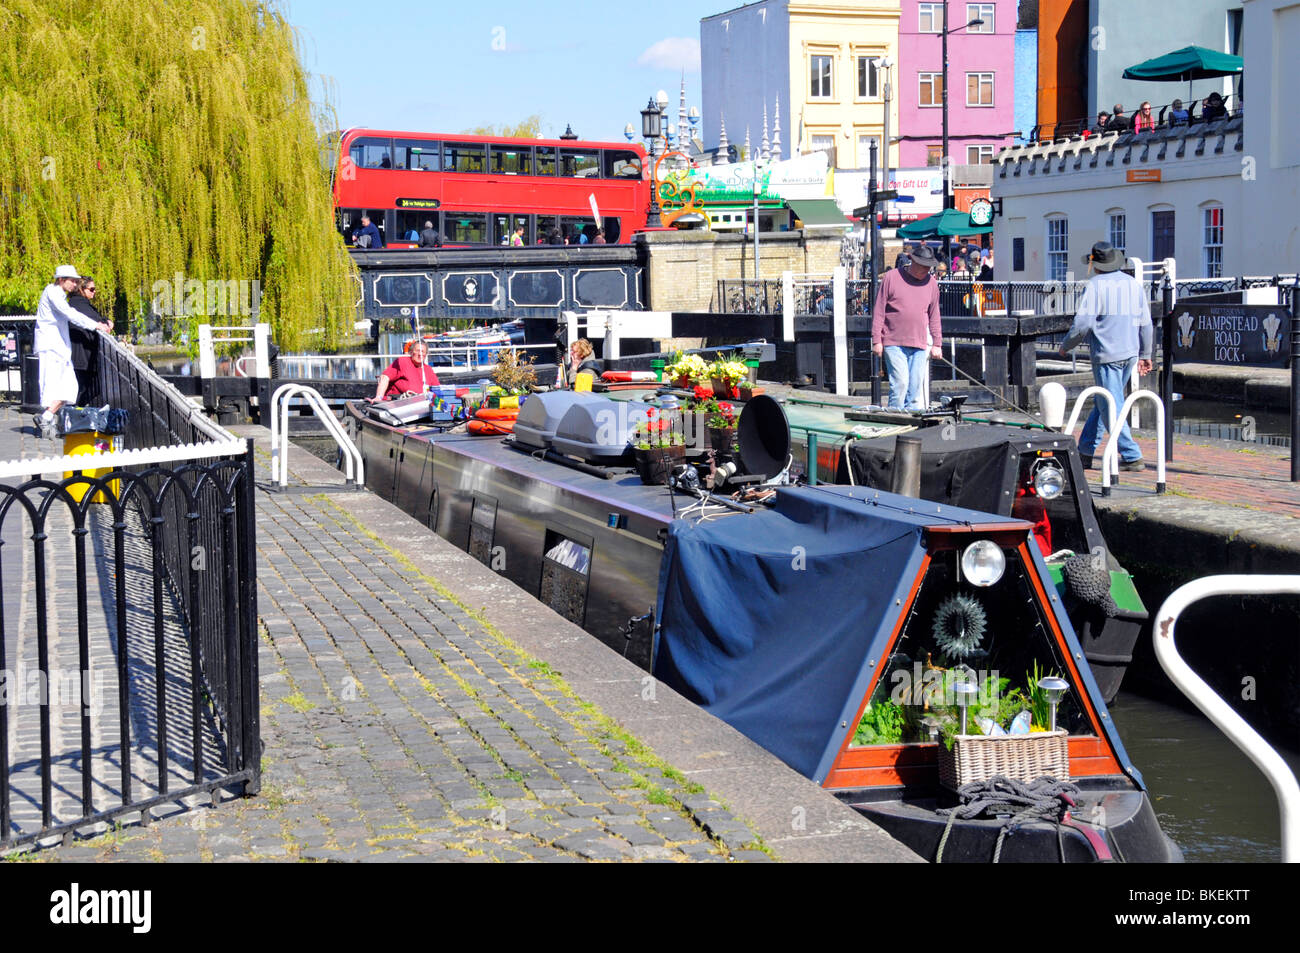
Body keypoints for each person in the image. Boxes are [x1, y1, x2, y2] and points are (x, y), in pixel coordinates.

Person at [1060, 242, 1152, 470]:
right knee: (1105, 400)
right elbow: (1146, 323)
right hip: (1130, 353)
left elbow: (1082, 324)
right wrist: (1146, 353)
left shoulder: (1095, 286)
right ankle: (1085, 451)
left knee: (1111, 406)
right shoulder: (1133, 284)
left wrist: (1066, 346)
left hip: (1107, 354)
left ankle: (1132, 455)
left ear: (1095, 264)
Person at [33, 265, 111, 438]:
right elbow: (70, 314)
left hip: (58, 346)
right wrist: (96, 324)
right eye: (73, 281)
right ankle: (47, 419)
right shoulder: (53, 293)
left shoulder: (57, 294)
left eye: (77, 281)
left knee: (68, 387)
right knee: (60, 386)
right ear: (61, 279)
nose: (75, 284)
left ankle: (47, 418)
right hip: (51, 346)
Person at [871, 244, 943, 412]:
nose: (924, 270)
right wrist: (876, 340)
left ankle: (910, 426)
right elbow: (879, 311)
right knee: (900, 383)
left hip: (919, 343)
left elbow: (934, 315)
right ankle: (894, 421)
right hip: (893, 341)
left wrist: (937, 343)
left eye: (927, 267)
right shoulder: (891, 277)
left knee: (915, 388)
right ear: (912, 261)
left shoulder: (932, 284)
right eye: (921, 266)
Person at [68, 275, 104, 405]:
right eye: (91, 289)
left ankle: (77, 413)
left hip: (83, 354)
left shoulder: (80, 303)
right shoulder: (78, 304)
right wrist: (105, 322)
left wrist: (105, 321)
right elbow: (95, 319)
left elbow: (96, 318)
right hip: (82, 355)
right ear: (81, 290)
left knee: (86, 387)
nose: (94, 292)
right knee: (85, 388)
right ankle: (74, 415)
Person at [371, 339, 440, 401]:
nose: (420, 354)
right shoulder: (403, 362)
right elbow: (385, 377)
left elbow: (437, 390)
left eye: (423, 352)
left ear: (426, 354)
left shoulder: (429, 370)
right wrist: (379, 397)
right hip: (399, 403)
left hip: (423, 404)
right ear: (411, 352)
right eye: (417, 351)